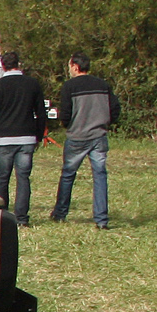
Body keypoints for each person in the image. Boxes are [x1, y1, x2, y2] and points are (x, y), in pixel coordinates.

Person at [52, 53, 119, 228]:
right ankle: (101, 219)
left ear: (75, 66)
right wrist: (106, 123)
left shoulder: (69, 86)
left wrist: (67, 125)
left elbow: (66, 113)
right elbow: (115, 109)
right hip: (99, 135)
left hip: (77, 136)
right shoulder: (103, 85)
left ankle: (60, 213)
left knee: (68, 174)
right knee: (100, 176)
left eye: (69, 66)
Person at [0, 51, 47, 223]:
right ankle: (21, 217)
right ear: (18, 64)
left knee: (2, 177)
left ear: (3, 66)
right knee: (23, 178)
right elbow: (41, 113)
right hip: (26, 136)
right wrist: (39, 136)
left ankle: (2, 216)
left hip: (3, 137)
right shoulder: (32, 84)